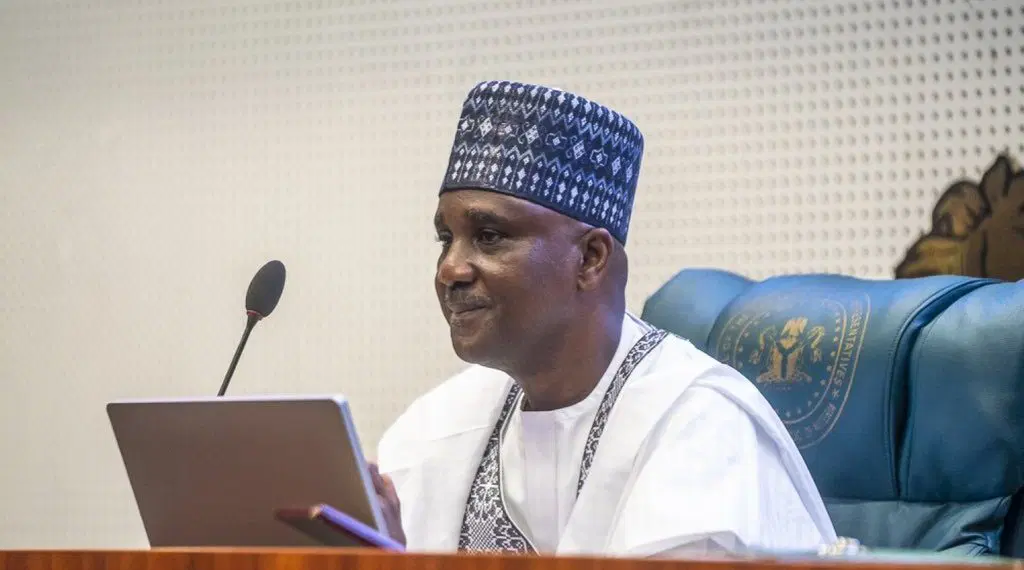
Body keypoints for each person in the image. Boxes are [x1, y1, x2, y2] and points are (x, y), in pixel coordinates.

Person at [369, 80, 838, 558]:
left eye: (489, 236)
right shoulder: (442, 423)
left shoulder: (702, 425)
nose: (450, 269)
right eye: (445, 239)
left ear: (591, 258)